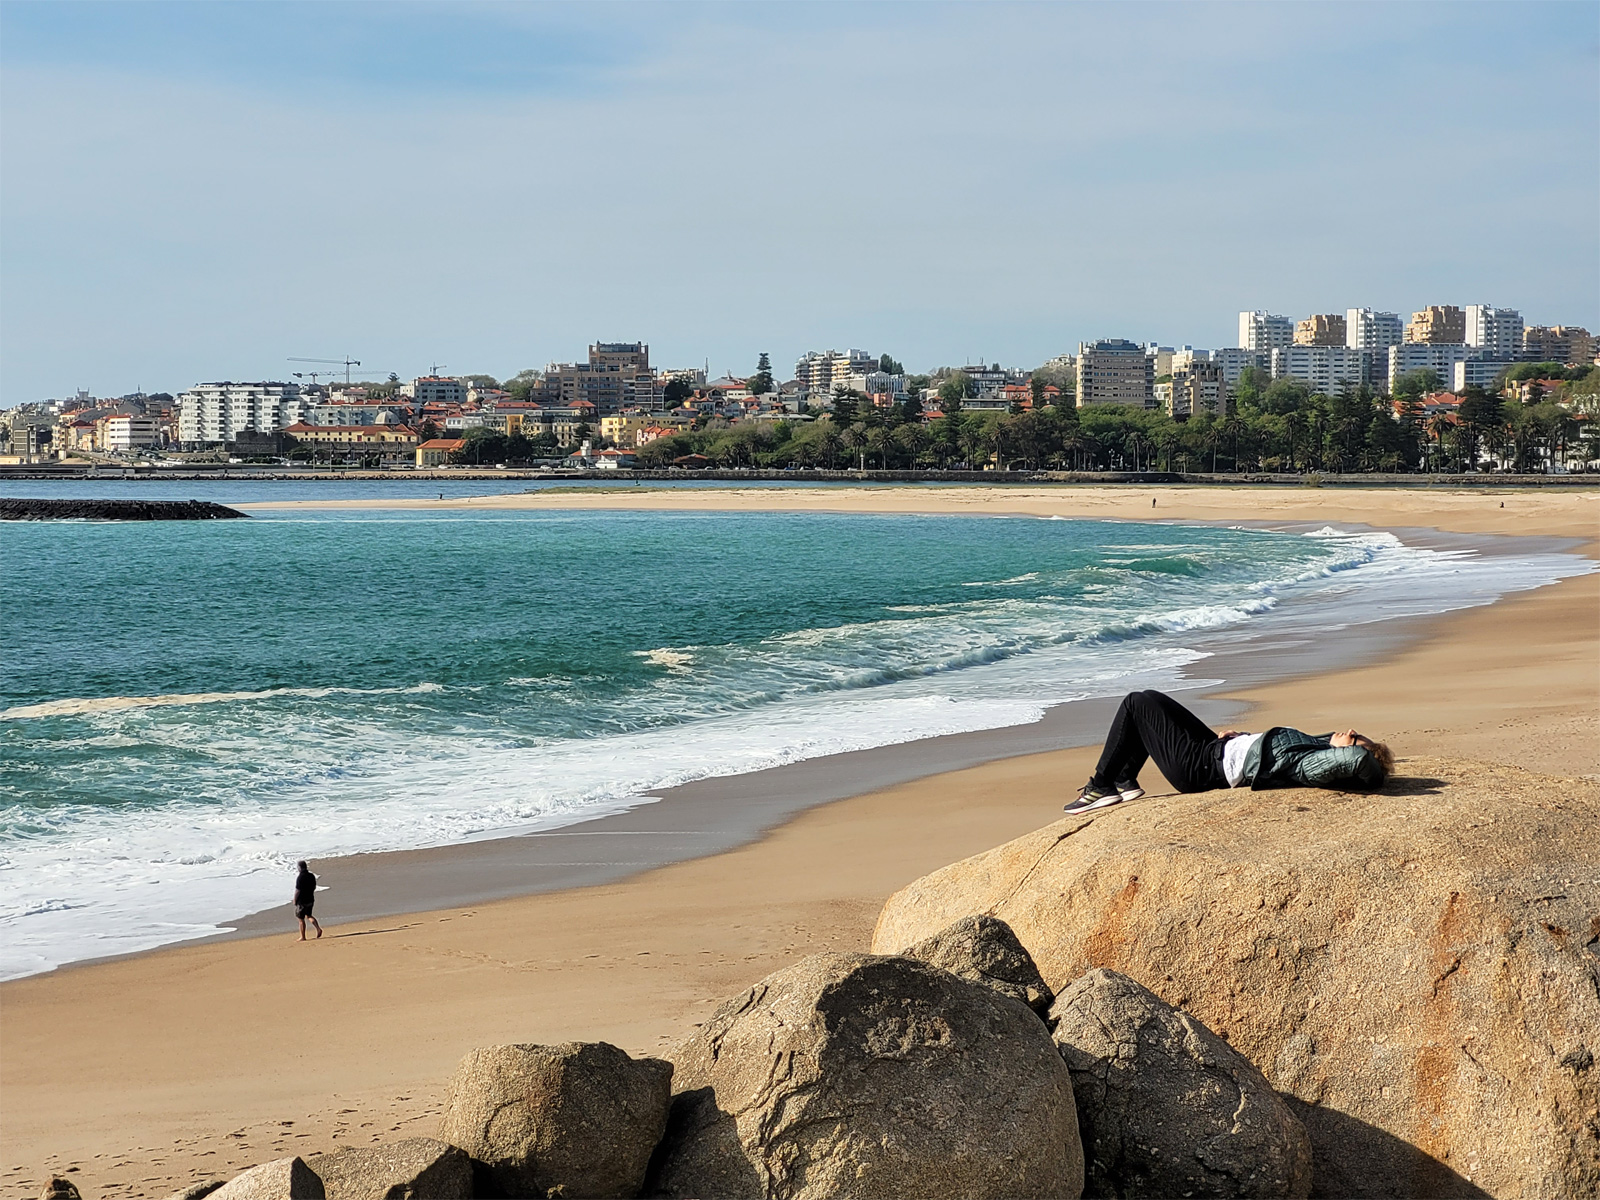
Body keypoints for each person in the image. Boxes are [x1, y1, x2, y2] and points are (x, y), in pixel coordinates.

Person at [1065, 689, 1392, 814]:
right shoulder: (1316, 746)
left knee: (1136, 703)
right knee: (1151, 698)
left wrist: (1355, 750)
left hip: (1200, 768)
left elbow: (1362, 761)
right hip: (1212, 748)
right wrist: (1241, 737)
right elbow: (1267, 752)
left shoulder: (1314, 764)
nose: (1350, 733)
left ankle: (1101, 786)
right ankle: (1125, 780)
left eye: (1356, 737)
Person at [294, 860, 323, 940]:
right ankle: (318, 928)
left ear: (299, 868)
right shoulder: (311, 875)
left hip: (302, 900)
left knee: (301, 919)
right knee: (309, 915)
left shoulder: (300, 877)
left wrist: (295, 899)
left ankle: (303, 937)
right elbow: (314, 886)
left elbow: (298, 890)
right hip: (310, 898)